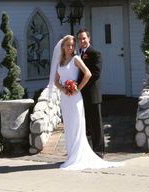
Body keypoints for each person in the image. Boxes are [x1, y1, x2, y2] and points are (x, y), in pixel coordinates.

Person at [49, 35, 123, 171]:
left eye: (72, 45)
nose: (71, 48)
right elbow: (55, 81)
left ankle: (79, 156)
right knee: (69, 126)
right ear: (63, 47)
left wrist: (77, 89)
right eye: (68, 45)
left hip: (75, 98)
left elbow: (88, 74)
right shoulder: (60, 62)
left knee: (78, 125)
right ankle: (71, 155)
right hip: (65, 98)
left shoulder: (76, 59)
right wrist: (64, 89)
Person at [77, 29, 105, 157]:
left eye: (84, 38)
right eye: (79, 39)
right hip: (80, 95)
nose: (82, 41)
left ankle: (99, 151)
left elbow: (95, 74)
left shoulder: (95, 53)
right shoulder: (78, 54)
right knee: (85, 124)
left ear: (89, 38)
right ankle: (88, 151)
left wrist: (81, 86)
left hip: (92, 94)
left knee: (96, 125)